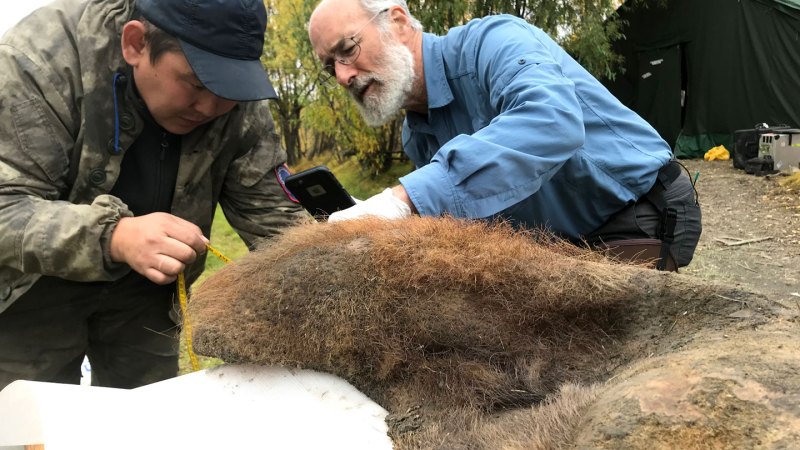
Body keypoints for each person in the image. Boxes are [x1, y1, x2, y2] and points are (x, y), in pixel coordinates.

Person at [0, 0, 306, 389]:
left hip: (146, 297)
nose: (212, 106)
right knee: (32, 428)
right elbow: (6, 207)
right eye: (197, 83)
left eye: (229, 88)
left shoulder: (236, 105)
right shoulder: (39, 63)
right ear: (136, 44)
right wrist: (113, 236)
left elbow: (280, 225)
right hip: (29, 290)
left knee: (142, 425)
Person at [307, 0, 701, 269]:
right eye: (330, 67)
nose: (343, 76)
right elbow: (462, 212)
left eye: (348, 49)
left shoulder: (493, 42)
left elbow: (552, 121)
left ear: (397, 20)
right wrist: (385, 218)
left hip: (638, 212)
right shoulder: (417, 135)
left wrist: (404, 198)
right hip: (561, 242)